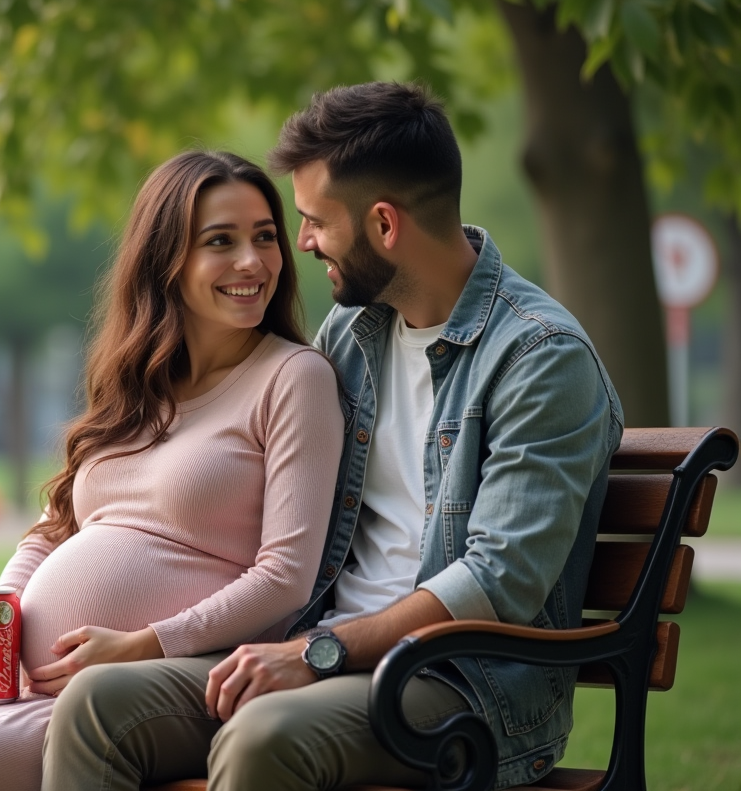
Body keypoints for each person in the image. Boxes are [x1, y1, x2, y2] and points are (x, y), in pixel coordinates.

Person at [41, 82, 624, 790]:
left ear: (384, 224)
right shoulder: (353, 333)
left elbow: (497, 582)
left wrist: (314, 653)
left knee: (264, 737)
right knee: (97, 706)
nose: (304, 243)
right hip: (314, 650)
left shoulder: (539, 357)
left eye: (315, 222)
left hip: (458, 684)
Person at [0, 150, 344, 791]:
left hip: (156, 688)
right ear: (165, 260)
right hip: (28, 686)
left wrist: (142, 645)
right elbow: (53, 527)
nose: (252, 262)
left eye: (265, 237)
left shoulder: (293, 379)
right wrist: (2, 612)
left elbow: (285, 578)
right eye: (220, 242)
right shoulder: (138, 387)